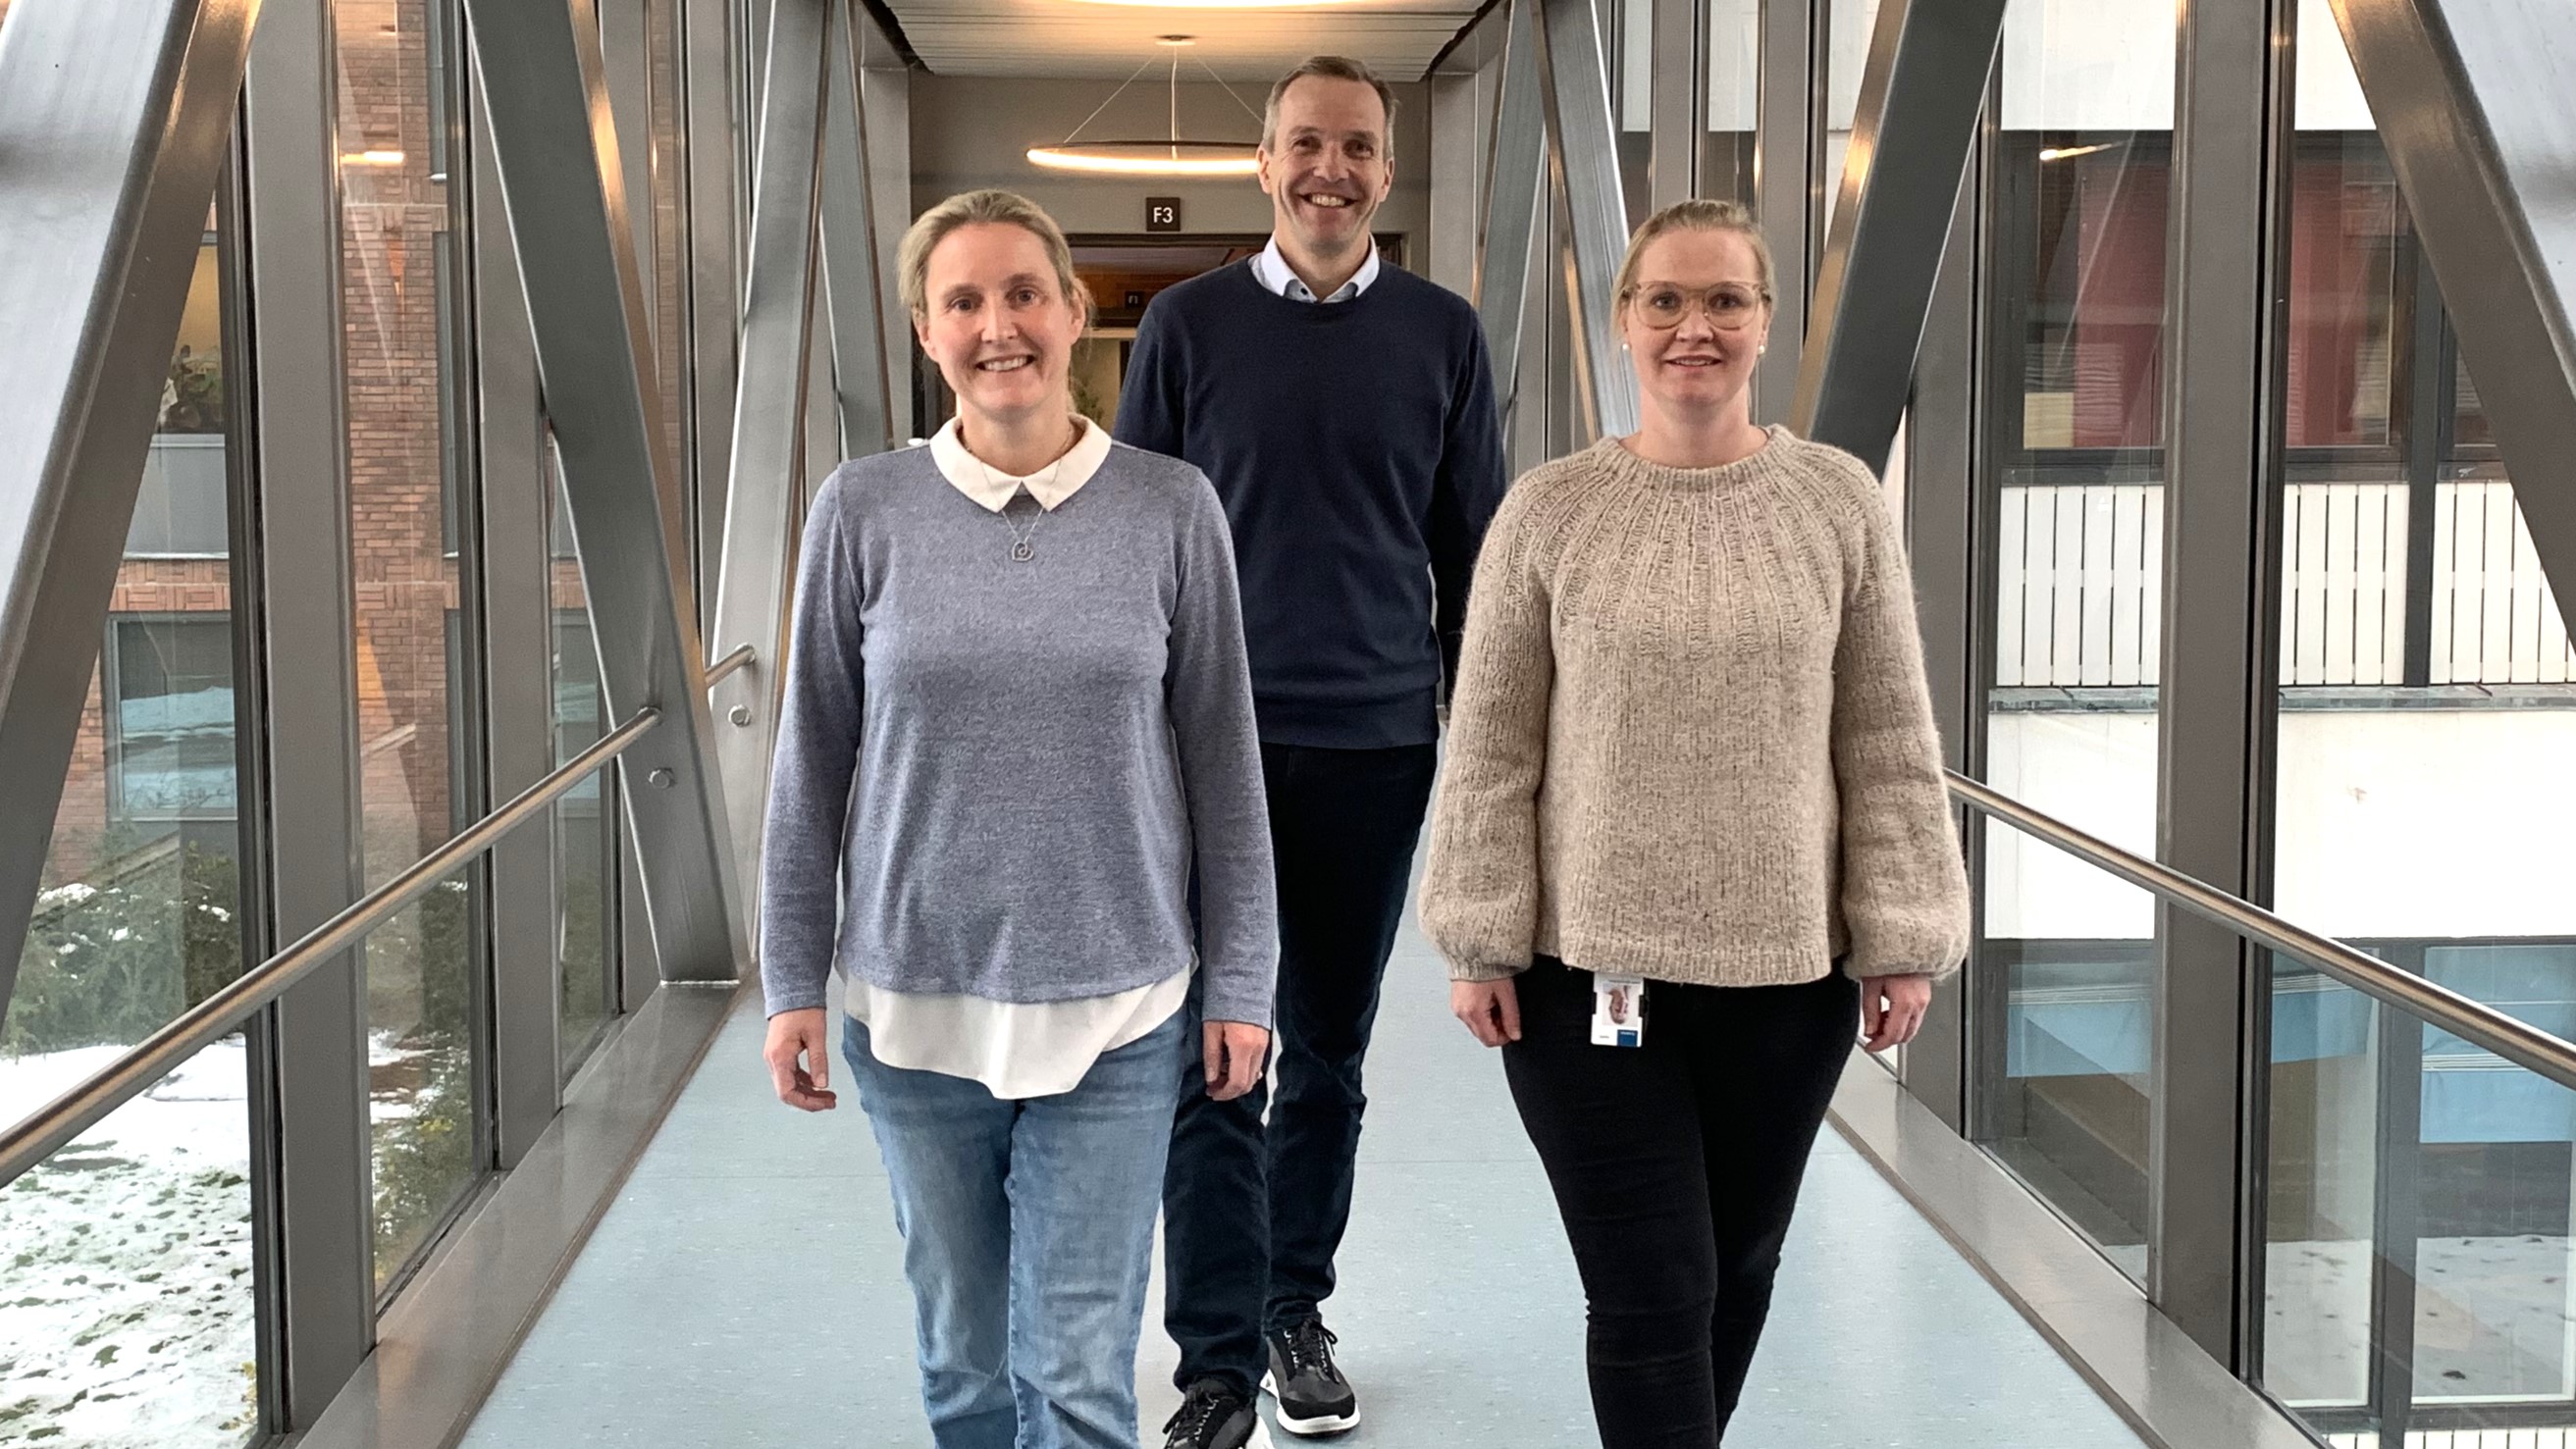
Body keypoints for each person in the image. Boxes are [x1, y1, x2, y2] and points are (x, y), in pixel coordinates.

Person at [1417, 198, 1972, 1449]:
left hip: (1789, 978)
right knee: (1651, 1289)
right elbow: (1494, 739)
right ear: (1624, 322)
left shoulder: (1836, 502)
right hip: (1583, 978)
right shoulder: (1549, 512)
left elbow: (1885, 735)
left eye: (1724, 299)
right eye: (1665, 299)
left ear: (1766, 324)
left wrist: (1903, 929)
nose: (1694, 327)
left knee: (1740, 1267)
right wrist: (1477, 932)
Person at [758, 188, 1278, 1449]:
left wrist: (1243, 983)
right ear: (926, 332)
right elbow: (810, 761)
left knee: (1079, 1372)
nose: (1000, 325)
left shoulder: (1171, 508)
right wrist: (791, 982)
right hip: (914, 1005)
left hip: (1121, 1007)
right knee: (966, 1364)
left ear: (1074, 308)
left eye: (1024, 293)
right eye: (965, 301)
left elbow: (1223, 764)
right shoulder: (862, 510)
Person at [1115, 53, 1508, 1449]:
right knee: (1215, 1055)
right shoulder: (1184, 325)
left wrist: (1480, 757)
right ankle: (1212, 1362)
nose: (1328, 169)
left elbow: (1481, 563)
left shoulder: (1444, 335)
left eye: (1354, 147)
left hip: (1377, 749)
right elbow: (1130, 550)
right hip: (1205, 757)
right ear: (1263, 166)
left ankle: (1294, 1310)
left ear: (1385, 173)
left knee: (1328, 1053)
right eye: (1303, 146)